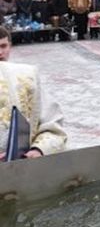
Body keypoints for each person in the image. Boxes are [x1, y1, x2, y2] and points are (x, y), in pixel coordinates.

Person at [0, 26, 67, 159]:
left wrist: (38, 150)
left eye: (3, 46)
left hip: (19, 169)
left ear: (10, 46)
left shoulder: (27, 78)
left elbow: (52, 125)